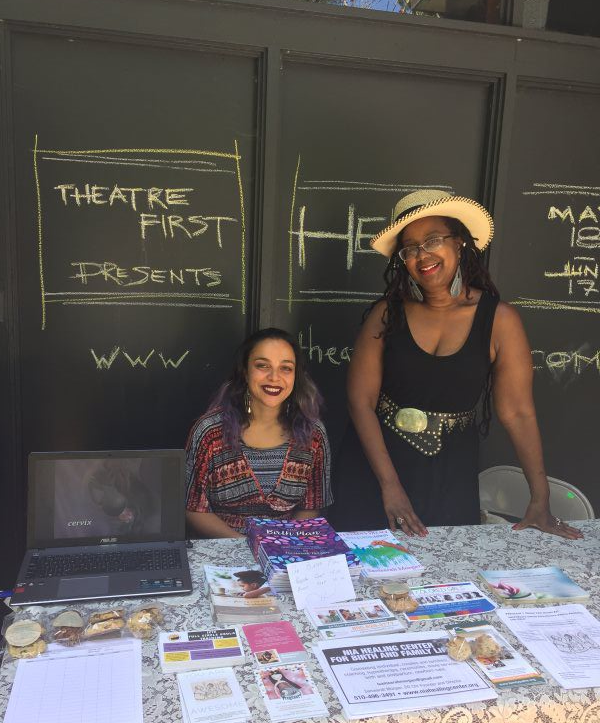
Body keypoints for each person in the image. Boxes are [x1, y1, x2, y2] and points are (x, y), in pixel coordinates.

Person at [329, 189, 582, 541]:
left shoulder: (499, 320)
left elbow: (517, 412)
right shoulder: (386, 314)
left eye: (433, 240)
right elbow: (360, 401)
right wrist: (390, 486)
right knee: (362, 575)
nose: (422, 255)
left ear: (459, 242)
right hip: (373, 465)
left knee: (443, 578)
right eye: (410, 247)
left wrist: (540, 497)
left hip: (449, 471)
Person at [185, 327, 332, 538]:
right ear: (245, 371)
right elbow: (192, 508)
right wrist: (250, 546)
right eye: (263, 366)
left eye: (286, 368)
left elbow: (311, 506)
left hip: (286, 552)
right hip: (225, 552)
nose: (274, 377)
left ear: (296, 376)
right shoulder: (210, 432)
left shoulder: (312, 434)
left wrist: (280, 546)